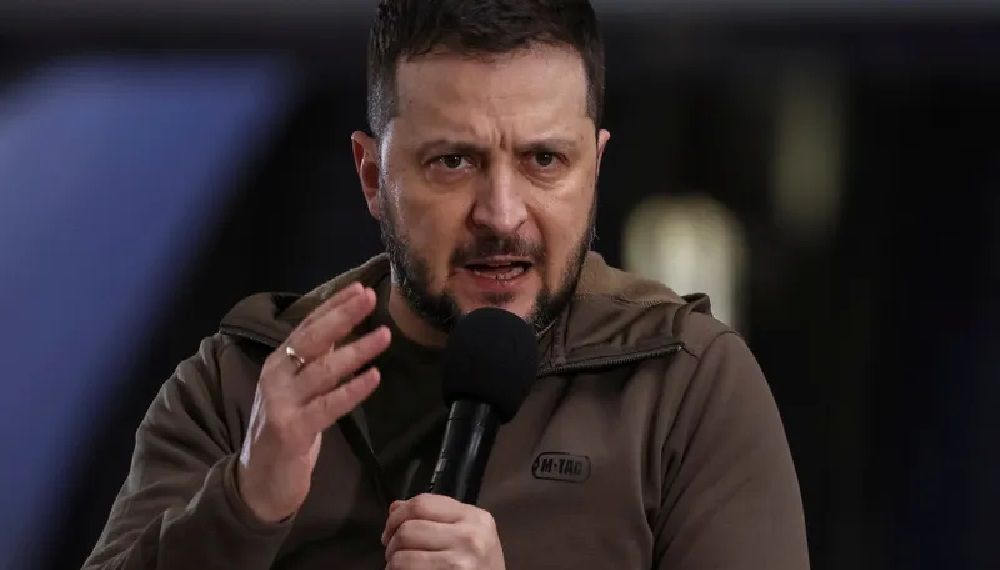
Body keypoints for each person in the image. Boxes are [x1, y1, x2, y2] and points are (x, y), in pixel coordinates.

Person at [84, 1, 809, 568]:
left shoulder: (684, 387)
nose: (501, 214)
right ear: (372, 177)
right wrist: (244, 507)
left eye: (544, 161)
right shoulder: (245, 386)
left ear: (595, 167)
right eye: (453, 162)